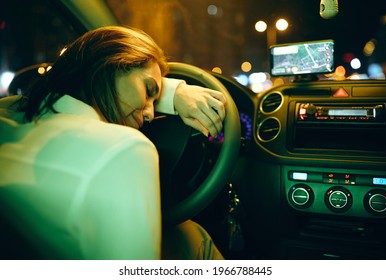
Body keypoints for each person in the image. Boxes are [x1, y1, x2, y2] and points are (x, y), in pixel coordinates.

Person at [0, 25, 225, 260]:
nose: (149, 115)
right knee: (194, 237)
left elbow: (90, 75)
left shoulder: (8, 115)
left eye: (155, 100)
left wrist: (168, 92)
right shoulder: (126, 149)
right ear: (110, 65)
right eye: (148, 91)